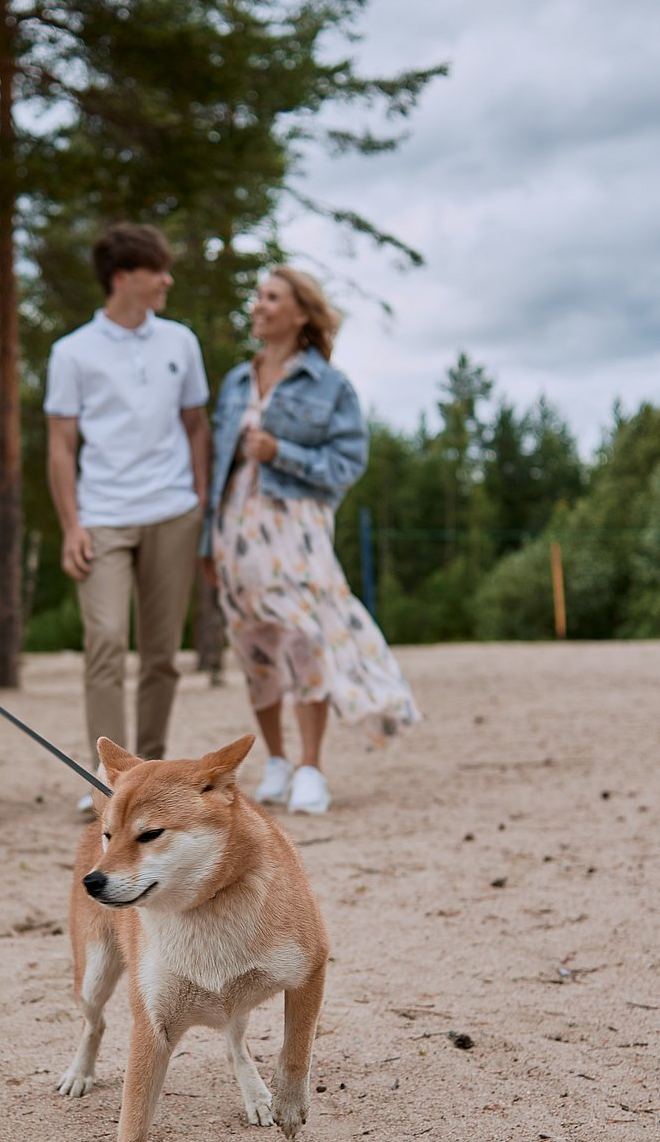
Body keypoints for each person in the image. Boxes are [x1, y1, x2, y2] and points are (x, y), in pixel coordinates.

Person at [203, 265, 419, 815]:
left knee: (303, 639)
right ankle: (275, 759)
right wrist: (208, 541)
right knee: (254, 649)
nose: (259, 305)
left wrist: (281, 454)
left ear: (301, 312)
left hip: (295, 531)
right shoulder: (234, 381)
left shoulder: (331, 385)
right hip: (235, 531)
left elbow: (347, 465)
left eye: (271, 297)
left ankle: (311, 767)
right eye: (257, 296)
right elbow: (215, 467)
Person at [44, 222, 210, 809]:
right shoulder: (71, 352)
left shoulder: (180, 343)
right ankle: (109, 784)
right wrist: (71, 526)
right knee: (107, 640)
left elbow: (195, 425)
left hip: (172, 512)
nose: (167, 279)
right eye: (157, 270)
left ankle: (154, 780)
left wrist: (199, 504)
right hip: (103, 518)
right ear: (123, 278)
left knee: (163, 653)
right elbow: (61, 446)